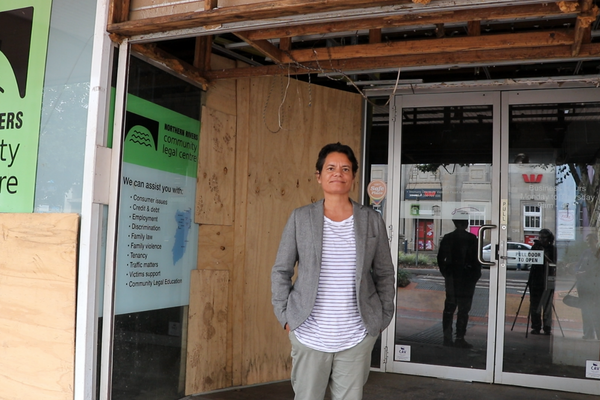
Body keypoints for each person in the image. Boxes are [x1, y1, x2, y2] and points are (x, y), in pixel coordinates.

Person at [271, 142, 396, 400]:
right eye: (330, 168)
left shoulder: (372, 220)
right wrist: (286, 318)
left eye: (345, 168)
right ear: (319, 176)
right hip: (308, 333)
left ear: (352, 176)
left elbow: (385, 273)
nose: (338, 173)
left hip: (357, 335)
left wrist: (381, 318)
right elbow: (281, 270)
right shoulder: (300, 218)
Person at [437, 215, 482, 349]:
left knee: (449, 307)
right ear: (466, 223)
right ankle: (460, 337)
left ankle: (447, 337)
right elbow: (477, 260)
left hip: (452, 276)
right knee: (463, 309)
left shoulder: (448, 238)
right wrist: (475, 275)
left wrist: (446, 272)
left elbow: (440, 258)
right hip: (467, 278)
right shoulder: (472, 239)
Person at [528, 228, 556, 335]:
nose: (541, 240)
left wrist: (543, 254)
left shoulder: (552, 249)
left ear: (548, 239)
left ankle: (547, 327)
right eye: (540, 237)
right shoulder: (535, 247)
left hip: (547, 279)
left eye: (543, 238)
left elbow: (553, 263)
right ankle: (536, 326)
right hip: (535, 279)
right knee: (534, 304)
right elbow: (530, 259)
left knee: (547, 305)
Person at [572, 233, 600, 339]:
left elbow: (596, 268)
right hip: (583, 285)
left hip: (595, 286)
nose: (588, 242)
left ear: (596, 241)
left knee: (596, 310)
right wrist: (577, 272)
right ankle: (588, 333)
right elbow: (578, 265)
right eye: (587, 240)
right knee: (585, 310)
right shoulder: (586, 252)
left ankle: (598, 333)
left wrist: (585, 273)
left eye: (591, 240)